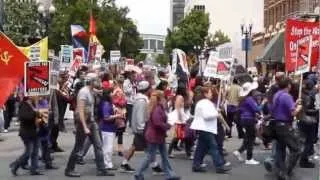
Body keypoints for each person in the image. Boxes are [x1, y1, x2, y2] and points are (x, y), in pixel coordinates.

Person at [65, 73, 114, 177]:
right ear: (92, 81)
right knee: (78, 147)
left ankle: (101, 169)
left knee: (99, 145)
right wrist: (85, 127)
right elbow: (80, 110)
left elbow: (101, 91)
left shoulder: (91, 90)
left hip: (91, 122)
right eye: (96, 80)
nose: (99, 82)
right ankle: (69, 169)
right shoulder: (84, 92)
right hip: (84, 123)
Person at [134, 90, 181, 180]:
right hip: (155, 136)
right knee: (150, 156)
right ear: (161, 98)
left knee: (163, 155)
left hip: (157, 135)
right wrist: (167, 126)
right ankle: (138, 173)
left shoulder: (155, 107)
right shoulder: (157, 109)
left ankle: (170, 174)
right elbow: (157, 123)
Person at [120, 81, 163, 174]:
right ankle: (153, 166)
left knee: (135, 147)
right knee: (150, 148)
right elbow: (140, 116)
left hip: (140, 128)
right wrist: (142, 129)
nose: (152, 90)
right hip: (142, 129)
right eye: (150, 88)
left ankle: (124, 164)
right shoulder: (141, 101)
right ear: (147, 90)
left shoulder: (140, 99)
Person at [190, 86, 231, 174]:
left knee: (201, 147)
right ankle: (219, 166)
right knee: (213, 146)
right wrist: (216, 113)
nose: (211, 94)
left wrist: (215, 111)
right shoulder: (205, 103)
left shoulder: (202, 102)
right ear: (205, 94)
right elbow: (206, 116)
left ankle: (196, 164)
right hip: (206, 128)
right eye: (210, 92)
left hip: (204, 128)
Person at [271, 78, 303, 180]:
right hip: (285, 126)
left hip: (277, 125)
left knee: (280, 149)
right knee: (296, 149)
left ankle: (280, 171)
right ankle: (287, 171)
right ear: (288, 85)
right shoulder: (287, 96)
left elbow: (282, 108)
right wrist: (298, 108)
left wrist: (295, 103)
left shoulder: (277, 95)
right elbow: (293, 113)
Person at [10, 97, 43, 176]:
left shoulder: (35, 104)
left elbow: (38, 116)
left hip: (35, 132)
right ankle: (16, 164)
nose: (38, 96)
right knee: (29, 152)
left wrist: (40, 116)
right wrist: (35, 113)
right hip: (26, 132)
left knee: (35, 152)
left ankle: (34, 169)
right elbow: (24, 117)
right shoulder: (23, 105)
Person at [233, 82, 261, 165]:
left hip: (244, 119)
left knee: (248, 137)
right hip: (249, 120)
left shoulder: (243, 99)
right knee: (251, 138)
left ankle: (239, 151)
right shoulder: (249, 99)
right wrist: (262, 104)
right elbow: (257, 109)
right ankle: (249, 158)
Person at [99, 90, 123, 170]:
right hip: (107, 129)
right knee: (108, 147)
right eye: (111, 93)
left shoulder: (108, 103)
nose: (113, 94)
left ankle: (106, 163)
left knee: (107, 147)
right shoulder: (106, 104)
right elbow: (106, 117)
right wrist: (117, 116)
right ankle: (107, 164)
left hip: (109, 128)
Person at [298, 80, 317, 168]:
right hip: (308, 121)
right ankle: (303, 160)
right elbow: (307, 110)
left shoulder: (301, 94)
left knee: (304, 141)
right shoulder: (307, 96)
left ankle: (303, 158)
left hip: (302, 120)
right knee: (308, 141)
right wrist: (316, 111)